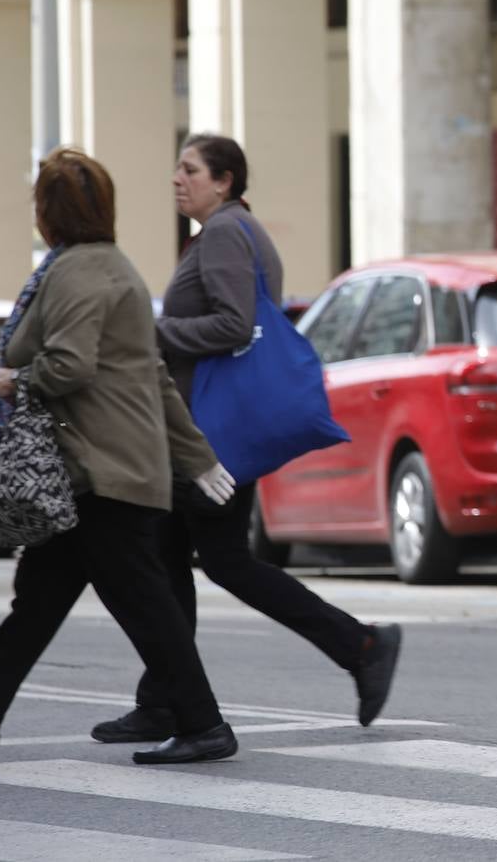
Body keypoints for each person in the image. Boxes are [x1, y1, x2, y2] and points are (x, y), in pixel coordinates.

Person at [0, 148, 240, 767]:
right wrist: (197, 459)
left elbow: (72, 365)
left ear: (50, 213)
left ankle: (204, 724)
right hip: (99, 470)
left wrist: (14, 380)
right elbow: (155, 378)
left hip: (101, 473)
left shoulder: (82, 271)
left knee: (143, 604)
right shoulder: (110, 267)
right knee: (45, 598)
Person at [91, 134, 400, 744]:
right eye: (177, 167)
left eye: (190, 169)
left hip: (213, 432)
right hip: (213, 425)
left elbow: (235, 326)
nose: (177, 179)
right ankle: (162, 701)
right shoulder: (235, 230)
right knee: (170, 558)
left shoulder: (227, 234)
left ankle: (360, 645)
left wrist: (155, 333)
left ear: (224, 180)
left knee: (215, 562)